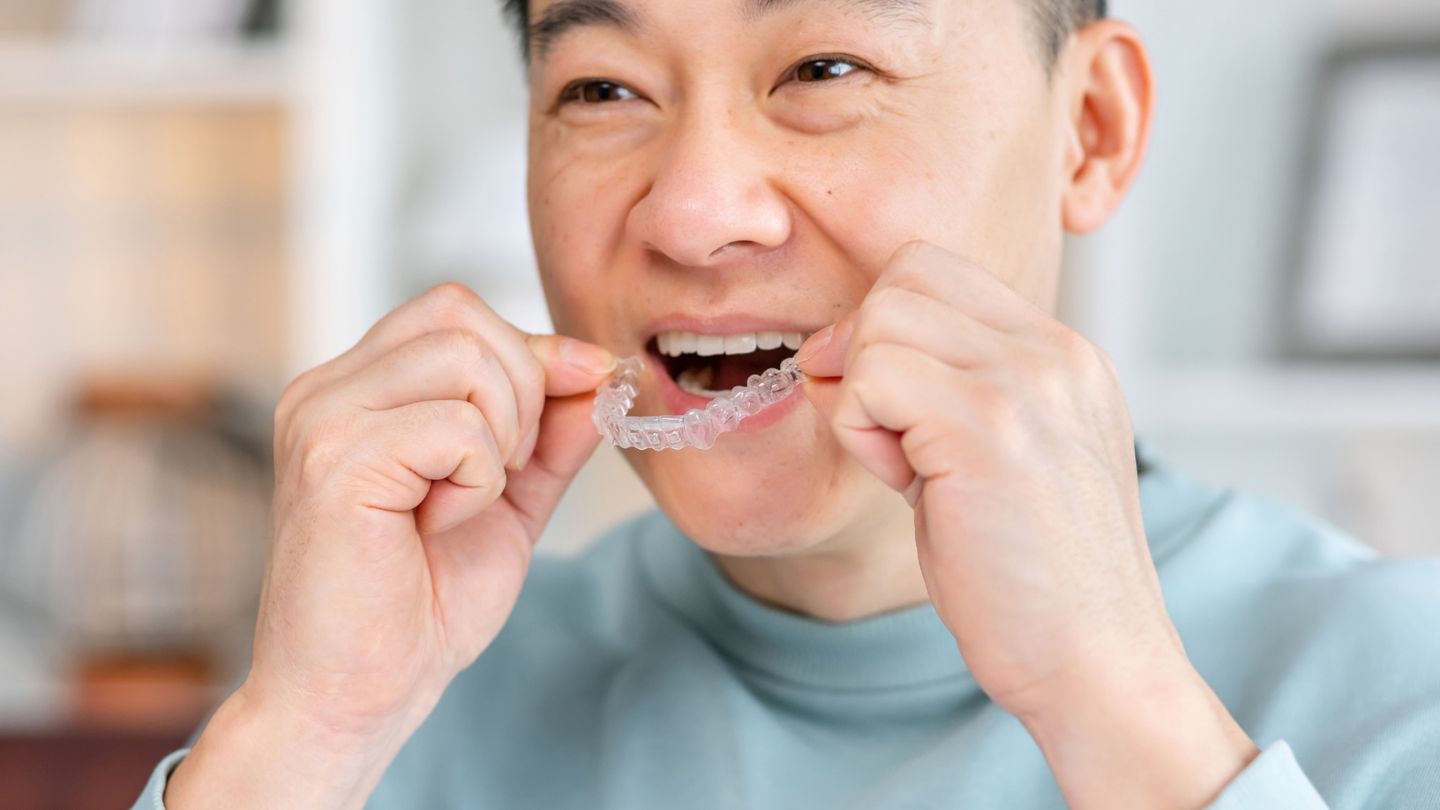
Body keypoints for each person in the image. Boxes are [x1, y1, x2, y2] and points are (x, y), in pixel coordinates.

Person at [134, 0, 1440, 807]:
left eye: (822, 67)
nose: (696, 213)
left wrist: (1124, 719)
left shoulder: (1402, 692)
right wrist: (296, 743)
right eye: (600, 89)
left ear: (1089, 129)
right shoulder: (390, 712)